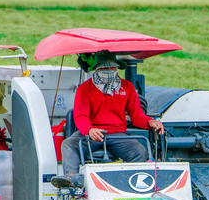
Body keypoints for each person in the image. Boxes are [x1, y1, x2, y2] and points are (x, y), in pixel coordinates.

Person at [56, 51, 164, 187]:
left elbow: (136, 116)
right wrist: (89, 130)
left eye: (112, 68)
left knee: (139, 150)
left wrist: (149, 122)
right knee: (69, 144)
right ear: (97, 69)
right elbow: (80, 116)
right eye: (104, 68)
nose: (109, 71)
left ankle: (133, 183)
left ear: (117, 68)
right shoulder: (84, 88)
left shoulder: (127, 87)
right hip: (92, 133)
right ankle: (71, 179)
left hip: (118, 134)